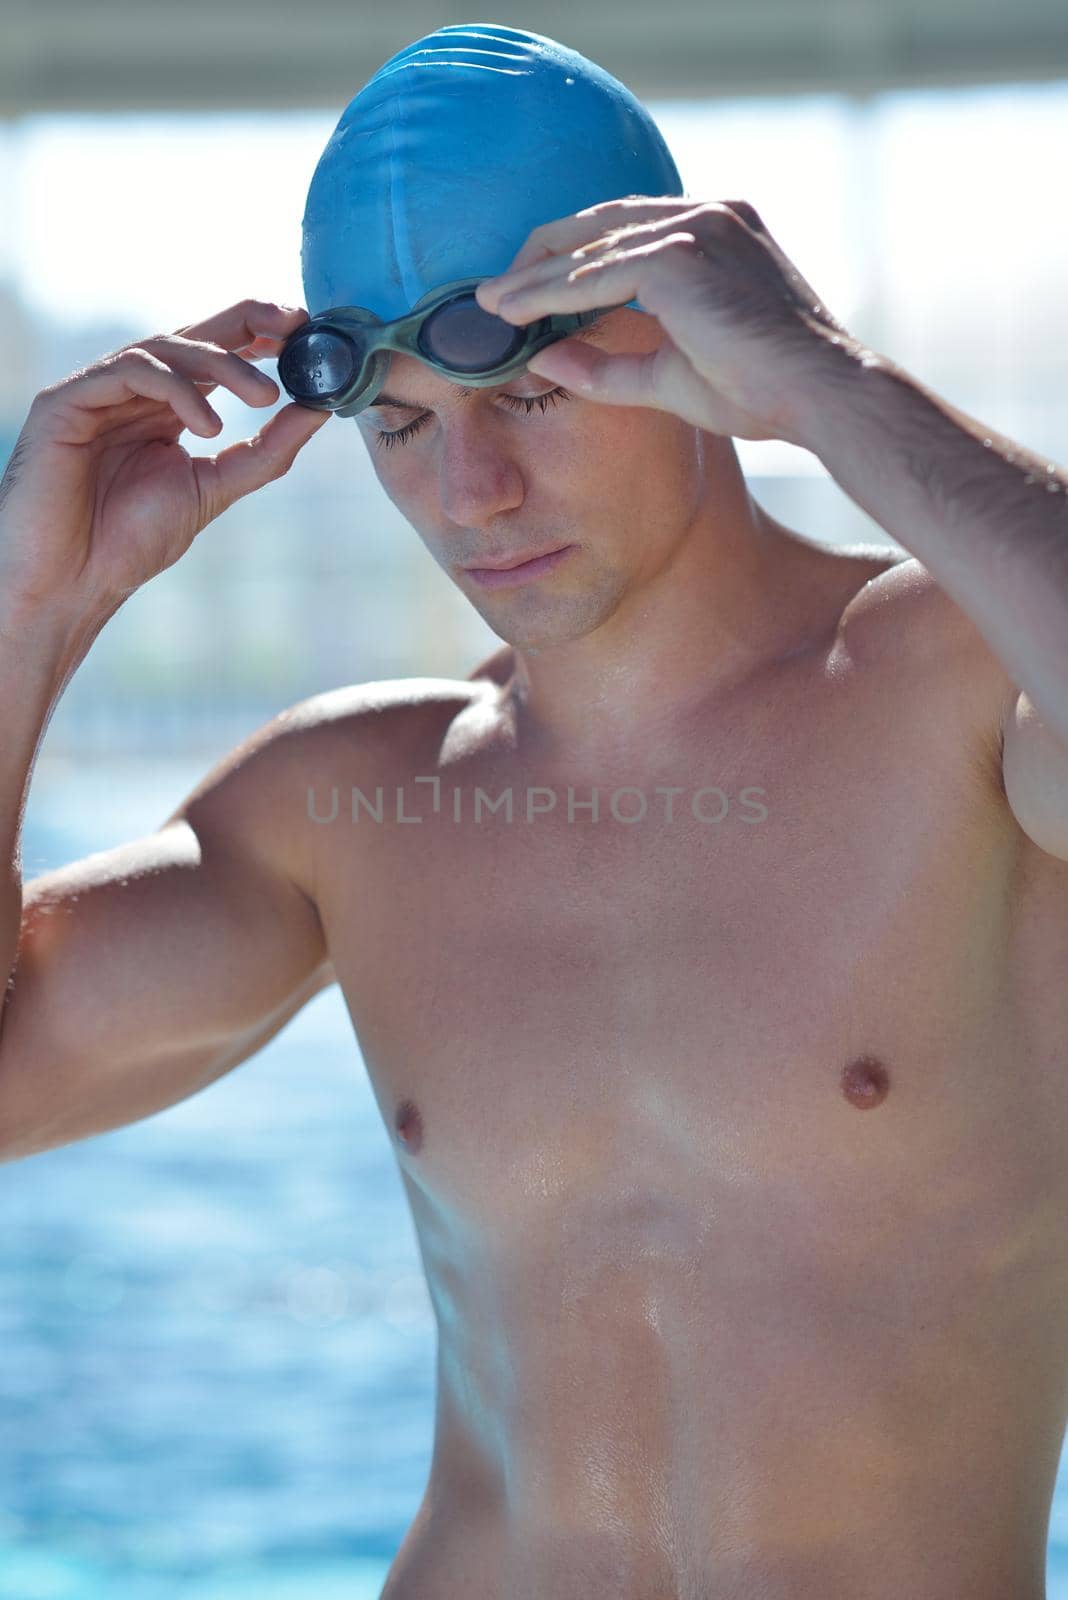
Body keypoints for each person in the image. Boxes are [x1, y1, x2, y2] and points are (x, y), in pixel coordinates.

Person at [2, 20, 1068, 1600]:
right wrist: (32, 611)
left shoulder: (967, 690)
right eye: (406, 425)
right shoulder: (357, 804)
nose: (469, 496)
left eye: (529, 399)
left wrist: (828, 387)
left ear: (685, 333)